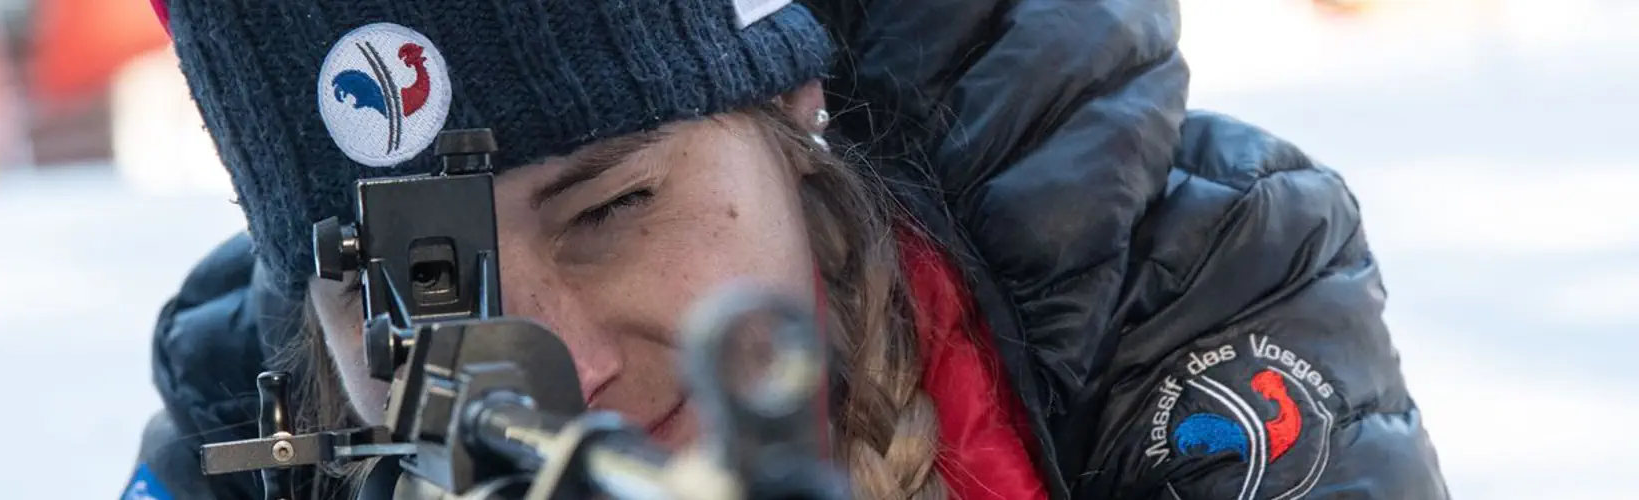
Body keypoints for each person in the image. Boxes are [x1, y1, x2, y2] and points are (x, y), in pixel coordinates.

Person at [125, 1, 1452, 499]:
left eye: (607, 210)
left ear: (790, 112)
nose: (549, 370)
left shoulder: (1172, 274)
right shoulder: (248, 433)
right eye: (413, 285)